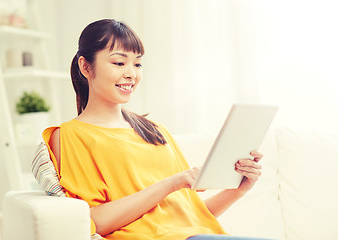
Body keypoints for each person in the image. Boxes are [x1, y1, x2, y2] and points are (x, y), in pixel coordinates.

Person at [43, 19, 271, 240]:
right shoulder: (70, 135)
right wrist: (171, 183)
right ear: (85, 66)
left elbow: (190, 216)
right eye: (119, 63)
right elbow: (93, 221)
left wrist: (238, 190)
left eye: (138, 63)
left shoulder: (155, 131)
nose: (131, 73)